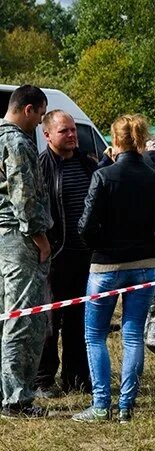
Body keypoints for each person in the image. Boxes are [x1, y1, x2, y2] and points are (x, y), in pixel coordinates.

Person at [73, 114, 155, 423]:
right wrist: (150, 244)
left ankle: (101, 404)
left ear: (115, 141)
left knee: (95, 336)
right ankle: (125, 407)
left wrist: (101, 243)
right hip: (145, 265)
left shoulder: (104, 176)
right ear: (142, 139)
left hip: (106, 265)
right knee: (133, 335)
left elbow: (86, 227)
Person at [35, 110, 98, 397]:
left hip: (84, 257)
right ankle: (43, 379)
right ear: (47, 135)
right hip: (53, 257)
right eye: (65, 131)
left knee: (79, 321)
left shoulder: (88, 165)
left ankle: (76, 378)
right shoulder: (40, 168)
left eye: (73, 130)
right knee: (49, 322)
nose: (73, 135)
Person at [0, 85, 51, 419]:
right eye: (41, 115)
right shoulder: (17, 141)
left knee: (5, 316)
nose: (40, 122)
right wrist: (39, 236)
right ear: (28, 109)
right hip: (18, 238)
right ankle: (17, 399)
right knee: (22, 318)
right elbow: (24, 195)